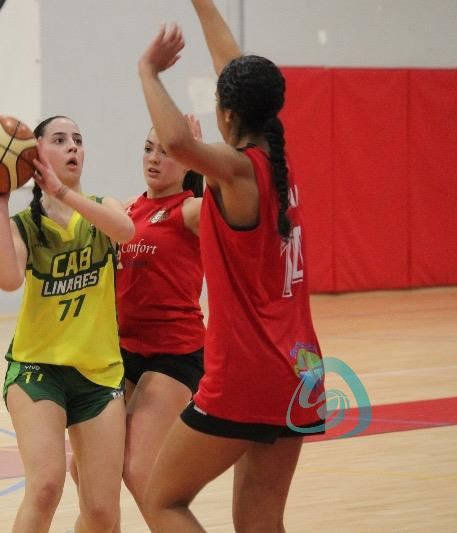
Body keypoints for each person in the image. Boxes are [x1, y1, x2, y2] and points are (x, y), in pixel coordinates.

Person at [137, 1, 326, 531]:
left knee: (162, 499)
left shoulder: (239, 171)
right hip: (301, 368)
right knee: (259, 521)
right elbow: (232, 69)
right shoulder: (275, 158)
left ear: (226, 115)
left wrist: (148, 71)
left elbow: (177, 142)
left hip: (249, 371)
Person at [0, 115, 134, 533]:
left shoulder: (104, 209)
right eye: (60, 140)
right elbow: (8, 280)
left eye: (78, 139)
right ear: (34, 152)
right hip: (37, 369)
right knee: (45, 487)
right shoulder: (24, 226)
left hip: (99, 374)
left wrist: (62, 192)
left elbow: (126, 231)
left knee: (102, 513)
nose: (73, 146)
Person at [116, 121, 206, 509]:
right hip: (123, 352)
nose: (153, 158)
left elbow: (232, 203)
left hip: (174, 354)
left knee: (138, 469)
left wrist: (203, 154)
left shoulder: (191, 211)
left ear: (188, 163)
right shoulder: (126, 210)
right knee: (88, 469)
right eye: (148, 148)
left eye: (166, 152)